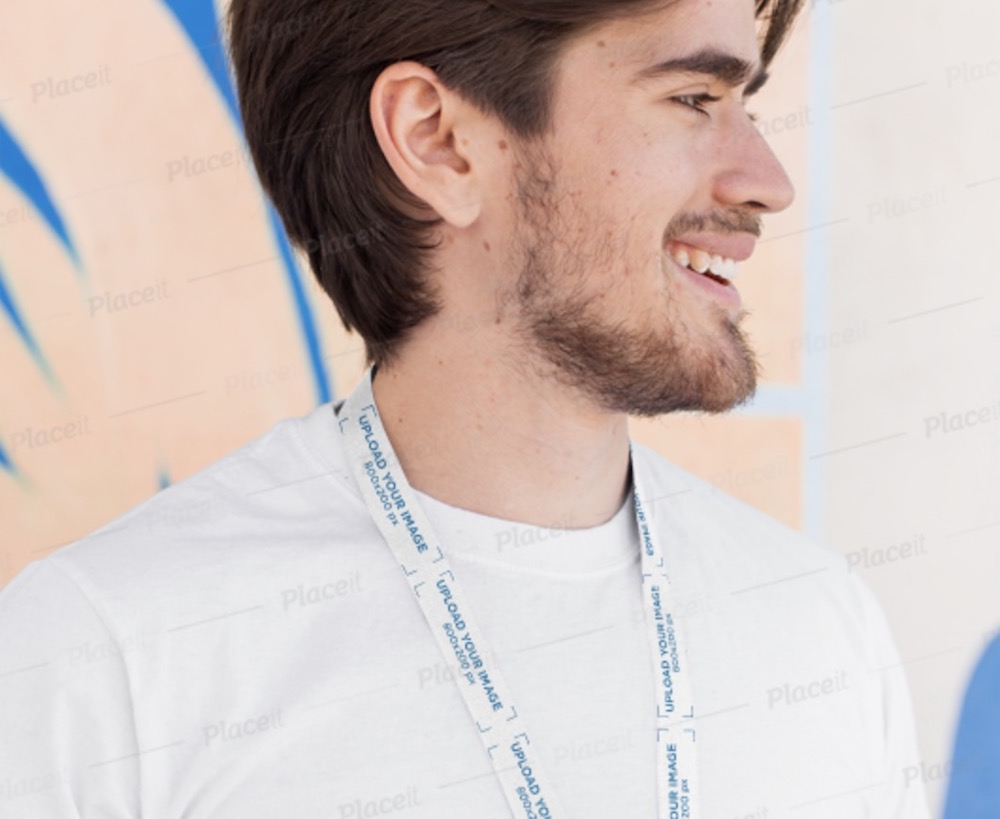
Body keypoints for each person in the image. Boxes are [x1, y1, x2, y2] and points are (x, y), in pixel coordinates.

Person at [0, 0, 932, 816]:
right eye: (694, 98)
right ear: (438, 140)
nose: (765, 179)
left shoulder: (820, 625)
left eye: (749, 104)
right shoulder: (105, 653)